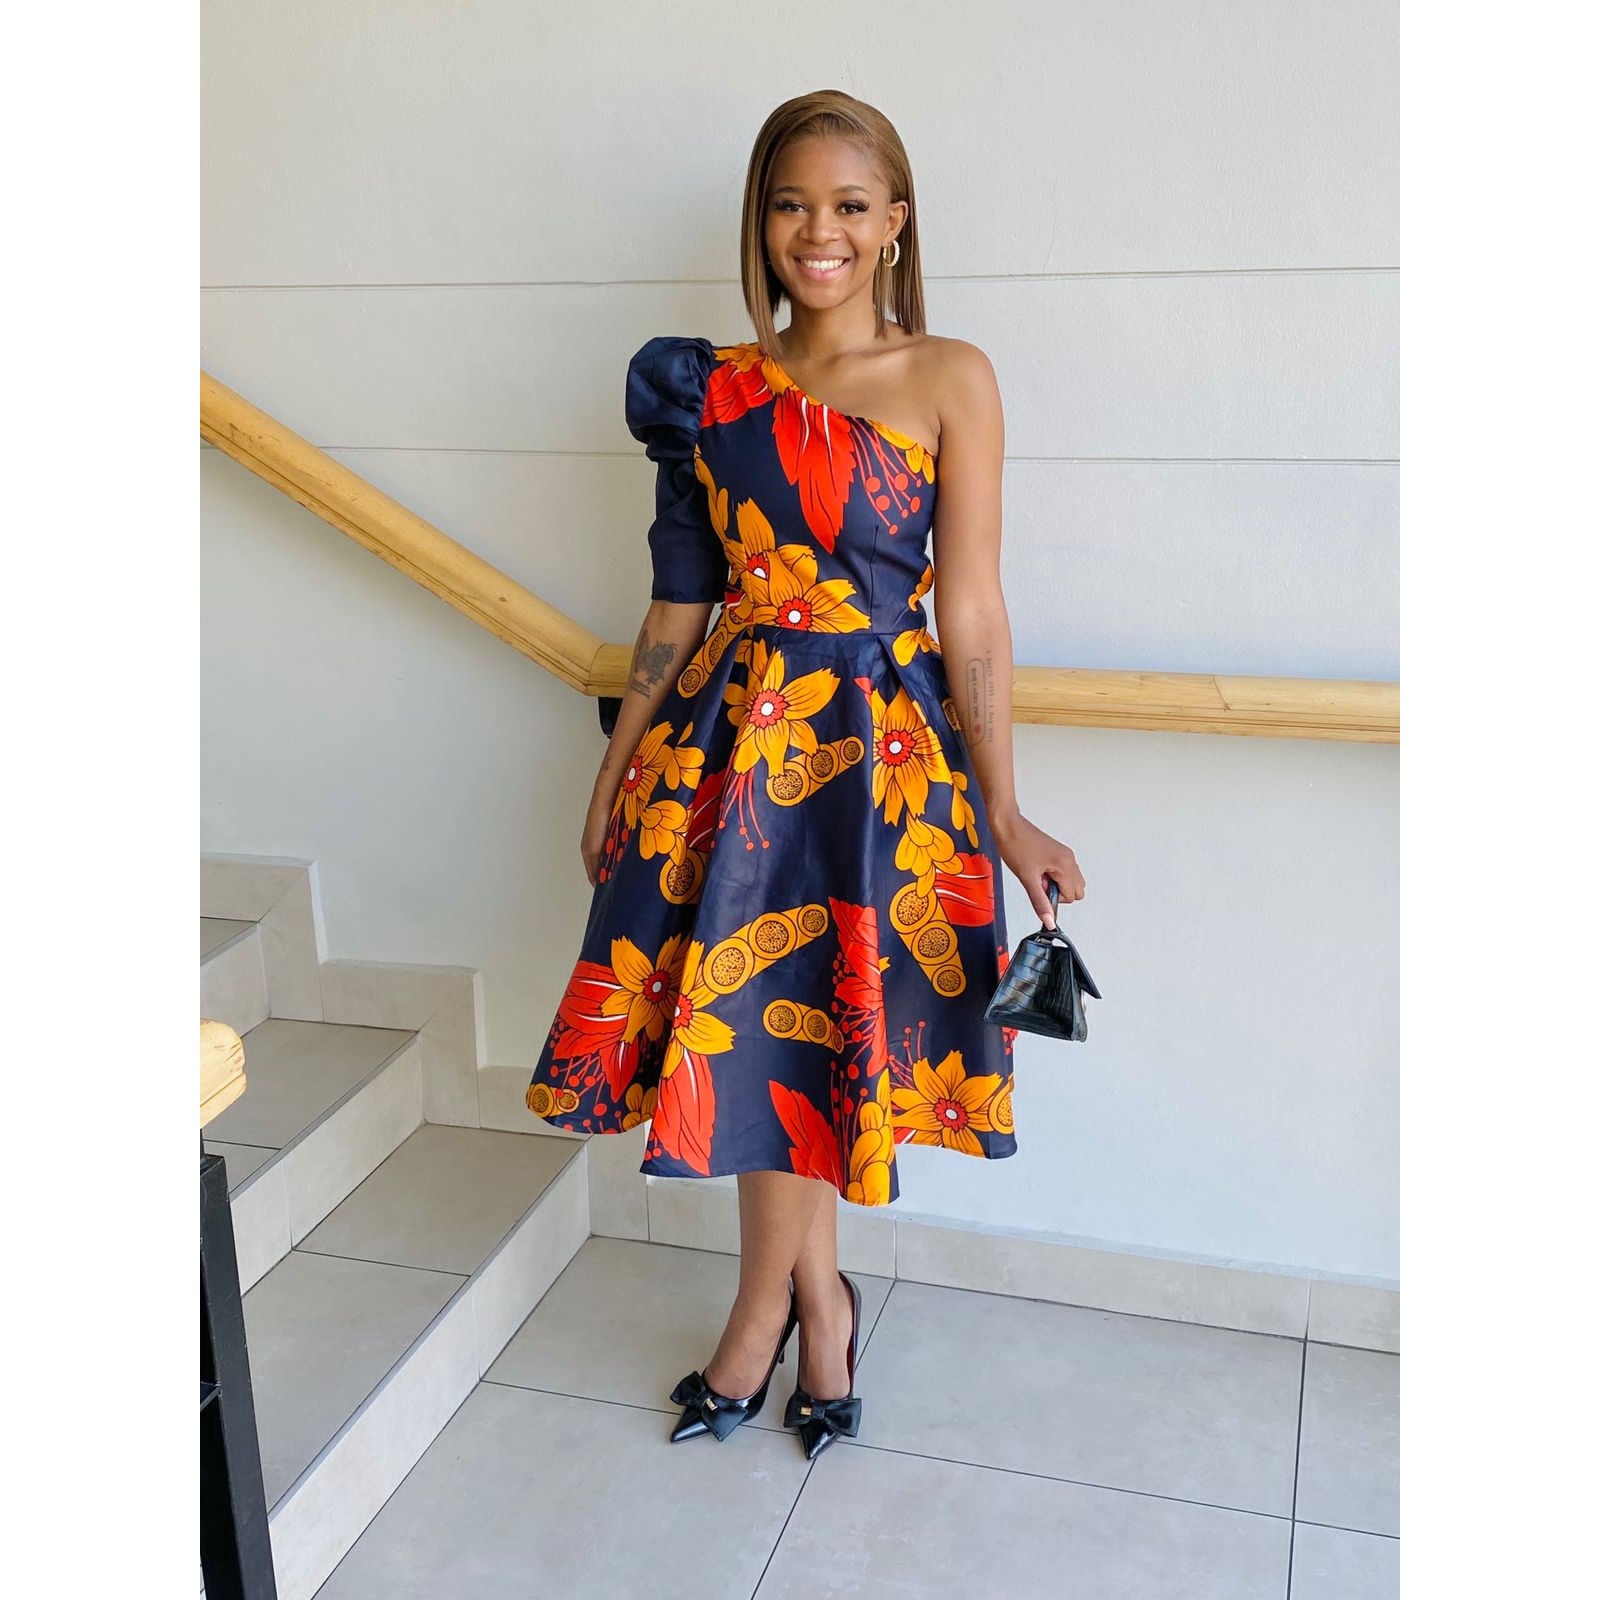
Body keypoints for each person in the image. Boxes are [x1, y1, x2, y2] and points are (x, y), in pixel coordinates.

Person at [525, 89, 1086, 1460]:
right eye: (791, 204)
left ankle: (778, 1311)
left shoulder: (952, 375)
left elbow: (974, 609)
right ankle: (804, 1306)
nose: (816, 231)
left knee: (821, 1034)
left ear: (894, 222)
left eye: (847, 204)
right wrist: (616, 770)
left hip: (879, 768)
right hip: (724, 755)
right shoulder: (699, 388)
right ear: (760, 220)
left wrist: (1006, 807)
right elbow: (677, 602)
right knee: (760, 1037)